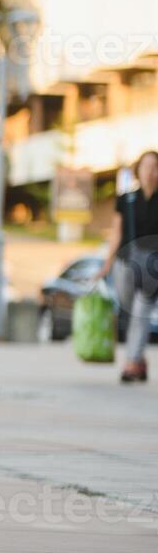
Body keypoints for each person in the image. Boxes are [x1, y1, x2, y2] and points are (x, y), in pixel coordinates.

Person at [101, 150, 158, 384]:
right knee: (128, 309)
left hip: (153, 266)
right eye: (146, 166)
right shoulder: (126, 199)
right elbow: (116, 233)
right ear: (138, 170)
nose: (151, 172)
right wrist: (106, 264)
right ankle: (139, 359)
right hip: (125, 263)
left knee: (140, 313)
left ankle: (131, 363)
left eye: (155, 167)